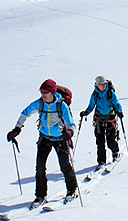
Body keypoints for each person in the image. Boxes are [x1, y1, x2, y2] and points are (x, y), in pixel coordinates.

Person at [7, 79, 78, 208]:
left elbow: (71, 124)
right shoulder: (39, 103)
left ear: (52, 92)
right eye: (41, 92)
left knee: (65, 166)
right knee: (40, 168)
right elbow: (25, 113)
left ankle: (72, 191)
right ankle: (40, 196)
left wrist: (69, 133)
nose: (43, 95)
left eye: (45, 92)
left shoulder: (61, 106)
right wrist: (17, 128)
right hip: (44, 138)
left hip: (60, 138)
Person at [80, 76, 124, 166]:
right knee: (100, 142)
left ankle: (115, 152)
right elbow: (91, 106)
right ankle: (101, 161)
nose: (103, 86)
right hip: (99, 120)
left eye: (104, 84)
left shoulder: (110, 93)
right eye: (101, 84)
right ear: (97, 85)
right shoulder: (94, 95)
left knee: (110, 141)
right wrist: (86, 112)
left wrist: (119, 111)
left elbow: (116, 103)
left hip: (110, 119)